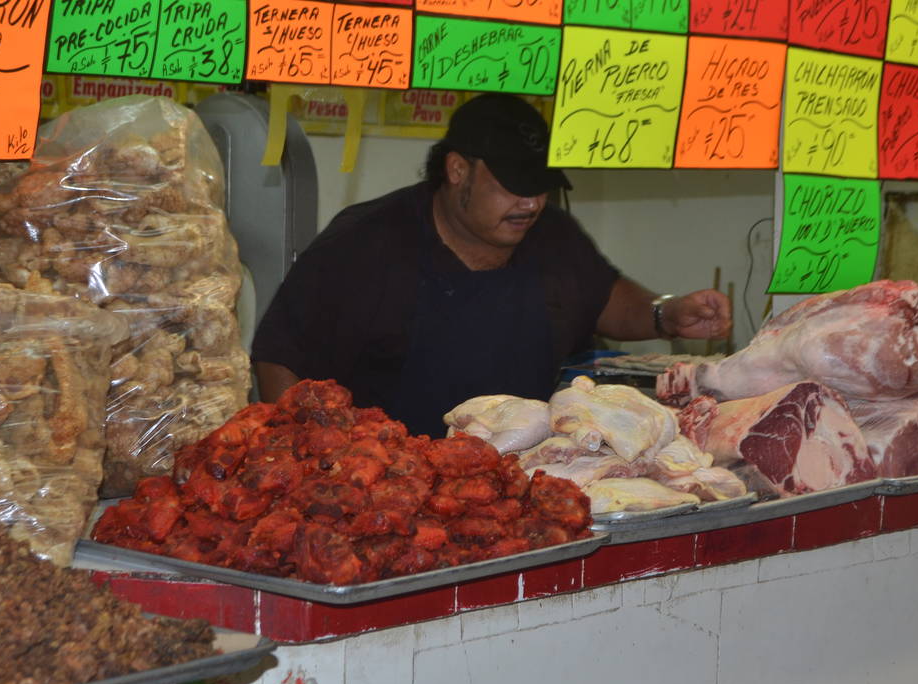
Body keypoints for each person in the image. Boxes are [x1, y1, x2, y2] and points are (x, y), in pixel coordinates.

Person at [251, 92, 731, 437]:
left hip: (514, 477)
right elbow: (279, 357)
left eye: (540, 187)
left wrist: (665, 313)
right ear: (458, 169)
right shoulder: (364, 243)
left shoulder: (552, 235)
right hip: (388, 487)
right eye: (513, 185)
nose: (531, 203)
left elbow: (603, 297)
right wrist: (315, 456)